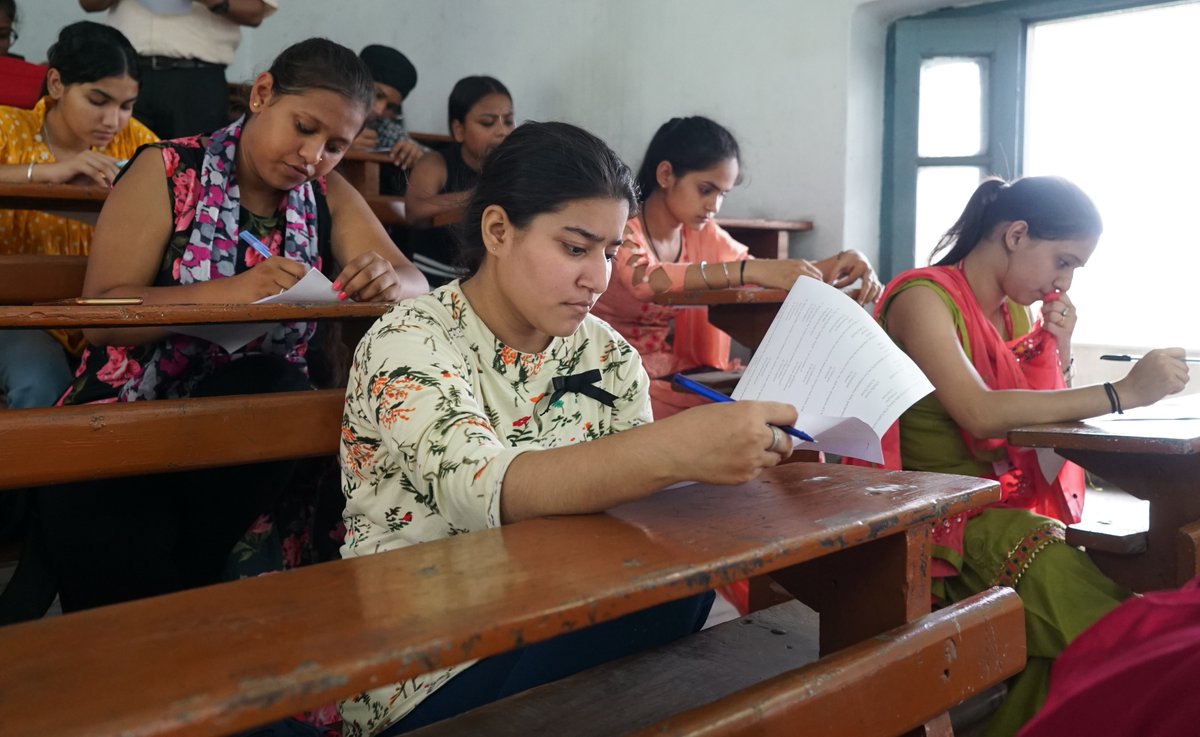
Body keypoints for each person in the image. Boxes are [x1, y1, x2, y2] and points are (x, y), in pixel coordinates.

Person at [339, 120, 800, 736]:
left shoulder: (604, 354)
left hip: (562, 614)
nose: (599, 278)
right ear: (498, 230)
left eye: (610, 253)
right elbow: (484, 488)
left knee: (688, 592)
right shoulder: (412, 341)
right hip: (431, 662)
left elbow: (640, 519)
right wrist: (672, 451)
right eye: (575, 248)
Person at [31, 38, 428, 615]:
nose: (313, 155)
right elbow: (100, 316)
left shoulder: (323, 193)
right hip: (128, 422)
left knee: (278, 388)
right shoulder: (166, 167)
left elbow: (413, 279)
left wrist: (386, 280)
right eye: (303, 127)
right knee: (132, 611)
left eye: (335, 145)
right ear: (262, 93)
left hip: (247, 445)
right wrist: (228, 295)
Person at [874, 175, 1189, 737]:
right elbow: (978, 410)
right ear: (1017, 234)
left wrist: (1058, 349)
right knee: (1122, 640)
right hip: (940, 521)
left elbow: (1036, 421)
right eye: (1062, 261)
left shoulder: (1016, 318)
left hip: (1006, 511)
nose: (1063, 282)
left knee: (1056, 657)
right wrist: (1123, 393)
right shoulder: (923, 298)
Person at [592, 116, 883, 420]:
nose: (714, 206)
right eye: (706, 189)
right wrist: (748, 272)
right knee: (735, 416)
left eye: (722, 194)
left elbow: (772, 272)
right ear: (666, 174)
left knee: (776, 404)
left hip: (665, 368)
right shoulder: (623, 228)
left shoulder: (701, 233)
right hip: (607, 366)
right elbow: (647, 280)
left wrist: (846, 261)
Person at [0, 20, 158, 409]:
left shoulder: (139, 142)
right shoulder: (7, 126)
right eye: (97, 101)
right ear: (56, 85)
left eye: (126, 106)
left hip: (107, 317)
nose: (112, 120)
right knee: (39, 386)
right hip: (19, 312)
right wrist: (44, 175)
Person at [78, 0, 276, 139]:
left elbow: (254, 12)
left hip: (195, 81)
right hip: (125, 75)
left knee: (193, 172)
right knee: (118, 168)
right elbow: (89, 3)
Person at [403, 75, 513, 285]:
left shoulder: (514, 167)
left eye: (508, 121)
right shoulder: (436, 163)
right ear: (459, 130)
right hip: (433, 281)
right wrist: (479, 196)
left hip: (487, 282)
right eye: (488, 122)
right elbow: (415, 210)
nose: (502, 131)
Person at [353, 44, 424, 171]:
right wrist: (338, 146)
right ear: (355, 83)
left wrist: (413, 151)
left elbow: (426, 155)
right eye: (377, 95)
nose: (379, 110)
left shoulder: (380, 127)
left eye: (390, 106)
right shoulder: (324, 110)